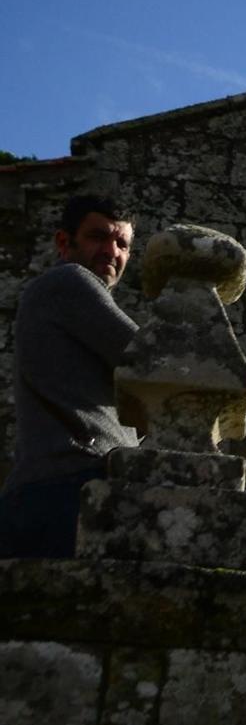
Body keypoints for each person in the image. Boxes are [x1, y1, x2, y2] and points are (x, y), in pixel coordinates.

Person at [0, 195, 139, 559]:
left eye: (122, 243)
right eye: (98, 237)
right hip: (68, 486)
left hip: (49, 488)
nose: (112, 251)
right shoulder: (69, 280)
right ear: (65, 242)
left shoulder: (65, 297)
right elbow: (147, 358)